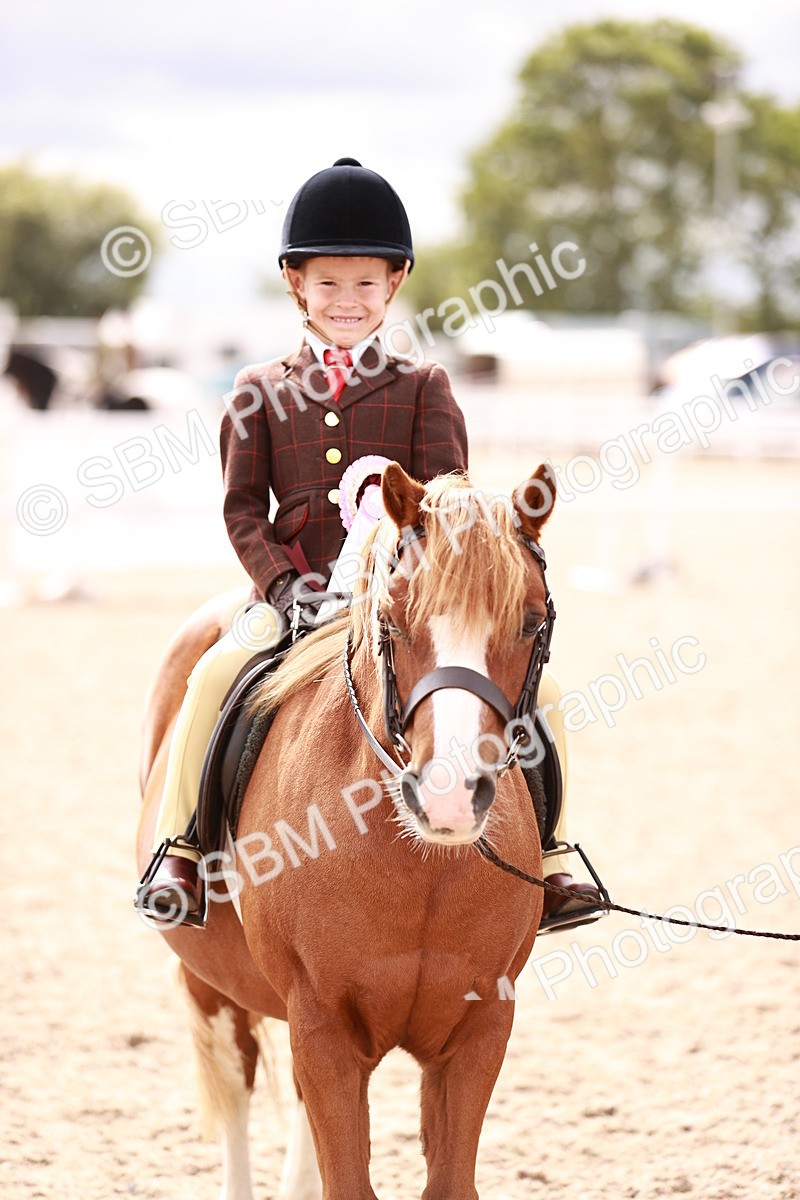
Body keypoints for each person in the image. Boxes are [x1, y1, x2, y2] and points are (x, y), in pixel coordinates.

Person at [136, 157, 604, 930]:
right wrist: (286, 587)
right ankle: (182, 849)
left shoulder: (424, 387)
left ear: (394, 285)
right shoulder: (258, 391)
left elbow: (448, 510)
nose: (346, 301)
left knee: (542, 695)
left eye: (364, 285)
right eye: (328, 284)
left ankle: (551, 860)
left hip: (401, 604)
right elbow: (243, 510)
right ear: (296, 285)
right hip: (292, 600)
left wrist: (413, 585)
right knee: (214, 675)